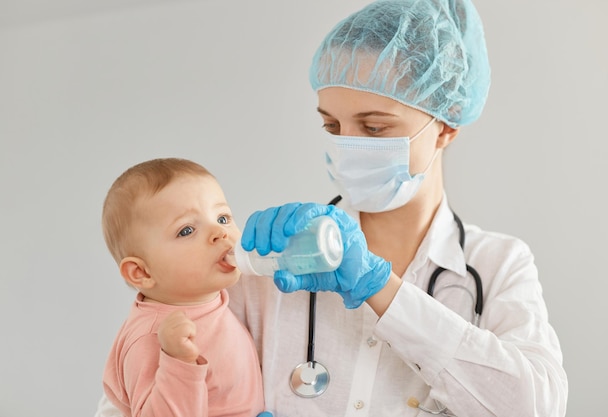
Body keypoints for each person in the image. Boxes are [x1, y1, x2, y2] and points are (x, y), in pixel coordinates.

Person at [96, 0, 568, 416]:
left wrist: (381, 288)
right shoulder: (268, 263)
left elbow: (536, 407)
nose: (349, 147)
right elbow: (127, 400)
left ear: (444, 128)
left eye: (375, 128)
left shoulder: (497, 264)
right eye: (332, 126)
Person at [100, 158, 268, 417]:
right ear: (142, 272)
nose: (220, 233)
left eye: (222, 218)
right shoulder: (152, 336)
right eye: (187, 230)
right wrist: (177, 362)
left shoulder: (208, 298)